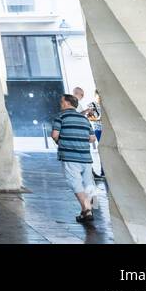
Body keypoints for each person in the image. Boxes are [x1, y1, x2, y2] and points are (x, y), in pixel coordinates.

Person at [51, 93, 98, 223]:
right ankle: (88, 210)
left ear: (67, 103)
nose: (60, 103)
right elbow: (92, 138)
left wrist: (61, 142)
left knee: (75, 182)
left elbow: (55, 135)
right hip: (85, 157)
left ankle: (87, 209)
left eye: (61, 101)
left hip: (70, 156)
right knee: (88, 182)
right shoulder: (84, 119)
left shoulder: (61, 117)